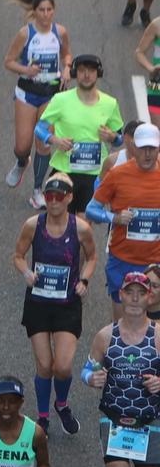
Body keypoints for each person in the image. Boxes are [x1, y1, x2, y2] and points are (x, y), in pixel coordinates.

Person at [84, 269, 160, 467]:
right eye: (129, 292)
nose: (134, 299)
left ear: (149, 298)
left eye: (140, 293)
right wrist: (93, 378)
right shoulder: (106, 335)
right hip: (114, 419)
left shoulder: (158, 335)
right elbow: (87, 369)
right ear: (121, 296)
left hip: (149, 422)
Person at [13, 173, 97, 431]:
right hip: (38, 302)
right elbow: (18, 255)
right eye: (49, 197)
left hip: (67, 303)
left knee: (62, 366)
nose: (53, 202)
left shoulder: (80, 228)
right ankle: (43, 417)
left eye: (59, 197)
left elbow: (92, 257)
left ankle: (61, 403)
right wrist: (26, 272)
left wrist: (83, 280)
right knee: (44, 365)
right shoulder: (33, 225)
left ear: (69, 198)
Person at [36, 54, 123, 216]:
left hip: (94, 174)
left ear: (98, 74)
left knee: (83, 228)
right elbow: (39, 129)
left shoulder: (110, 103)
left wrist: (112, 137)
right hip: (64, 171)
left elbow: (120, 139)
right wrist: (55, 139)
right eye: (82, 71)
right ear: (76, 74)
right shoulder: (61, 100)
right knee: (60, 225)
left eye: (91, 71)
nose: (87, 75)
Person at [3, 0, 69, 207]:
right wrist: (26, 69)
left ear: (54, 10)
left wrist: (67, 68)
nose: (46, 14)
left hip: (50, 94)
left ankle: (37, 190)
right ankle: (22, 161)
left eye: (49, 10)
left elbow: (66, 54)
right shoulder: (25, 34)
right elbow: (8, 61)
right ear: (34, 12)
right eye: (41, 10)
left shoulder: (60, 32)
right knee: (23, 145)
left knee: (44, 143)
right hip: (27, 93)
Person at [90, 122, 160, 321]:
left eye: (152, 149)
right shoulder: (117, 174)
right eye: (142, 148)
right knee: (124, 328)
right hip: (123, 261)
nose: (147, 154)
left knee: (154, 336)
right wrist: (114, 218)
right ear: (133, 146)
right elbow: (91, 209)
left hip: (156, 264)